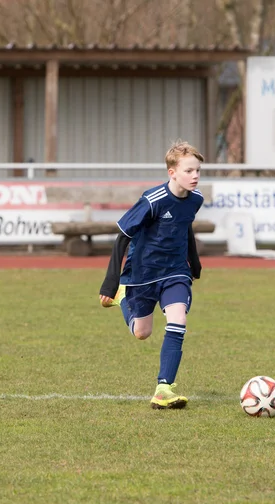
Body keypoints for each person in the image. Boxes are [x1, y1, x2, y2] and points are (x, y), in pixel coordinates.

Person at [99, 140, 204, 409]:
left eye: (198, 171)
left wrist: (193, 260)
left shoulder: (195, 200)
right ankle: (124, 298)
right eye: (189, 171)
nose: (195, 176)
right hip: (142, 274)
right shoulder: (152, 200)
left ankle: (163, 387)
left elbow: (185, 227)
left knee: (178, 319)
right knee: (142, 333)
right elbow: (122, 235)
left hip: (175, 272)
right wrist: (112, 282)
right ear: (172, 172)